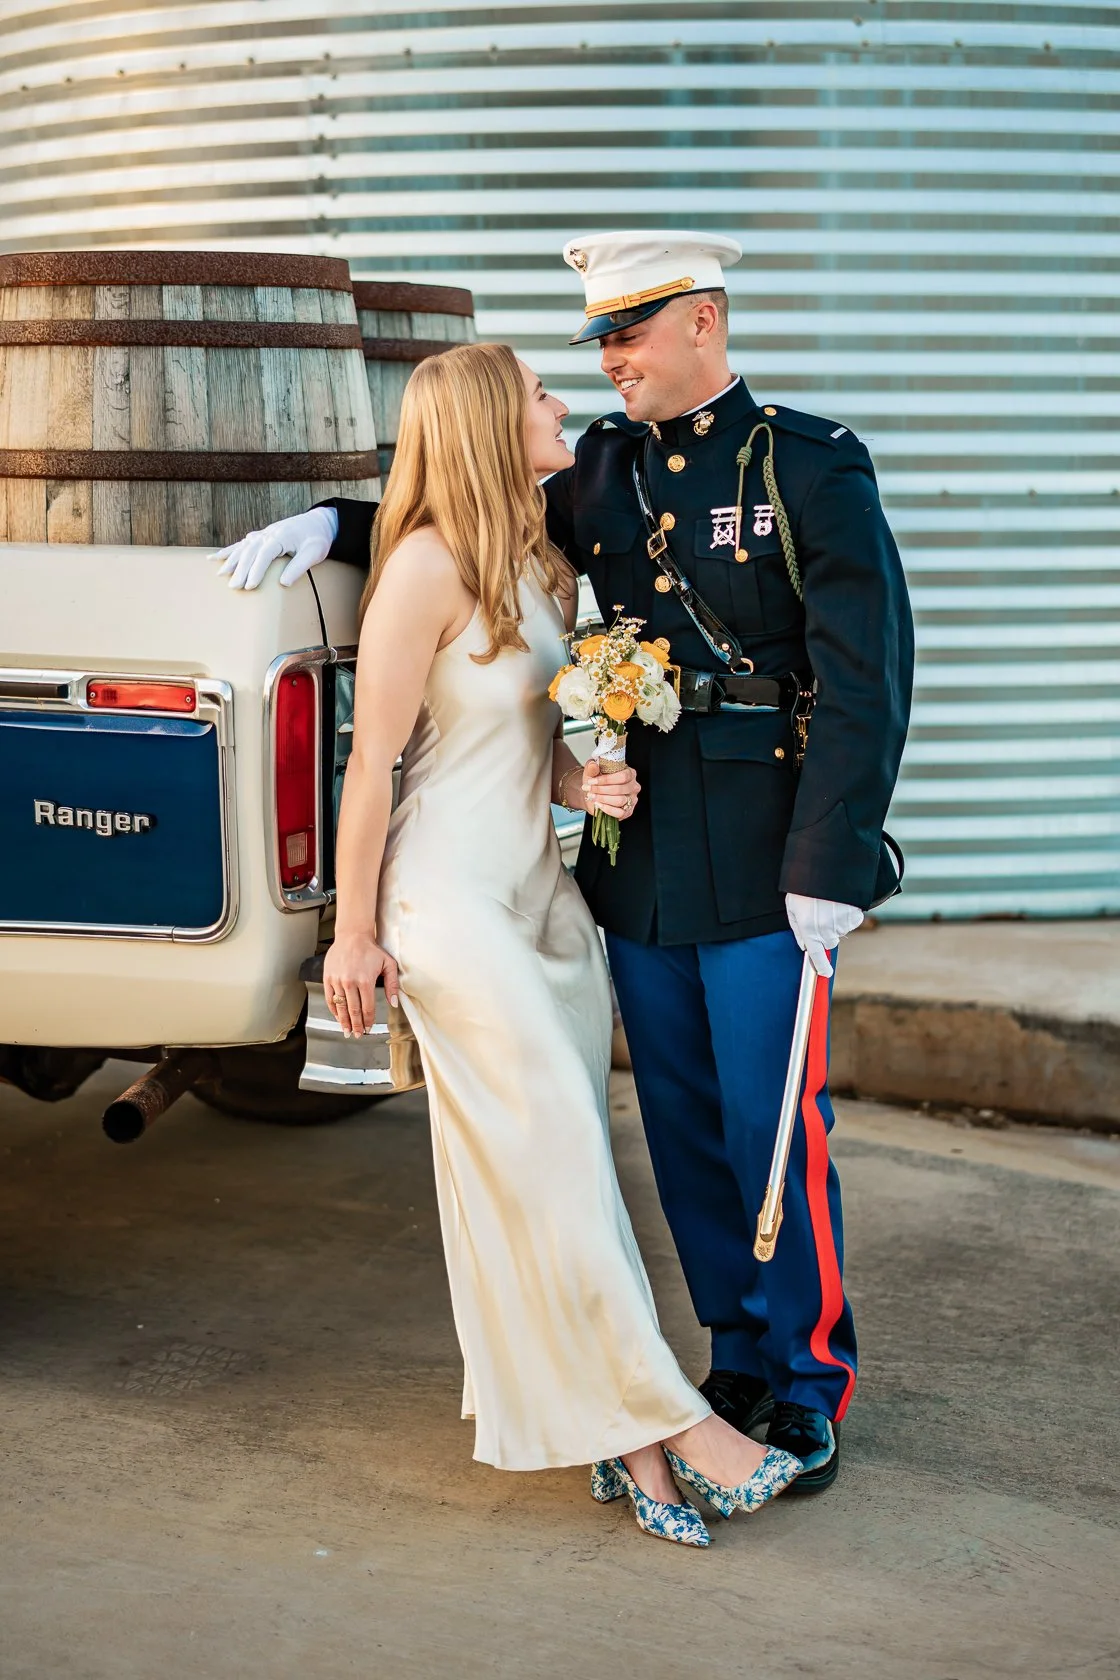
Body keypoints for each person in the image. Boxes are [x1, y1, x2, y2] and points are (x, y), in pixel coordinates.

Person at [215, 231, 914, 1496]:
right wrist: (337, 523)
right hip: (638, 855)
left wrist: (834, 861)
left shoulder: (807, 468)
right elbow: (464, 511)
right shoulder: (601, 472)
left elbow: (868, 679)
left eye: (630, 334)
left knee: (772, 1130)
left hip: (769, 857)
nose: (609, 362)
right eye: (597, 341)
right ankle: (735, 1361)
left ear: (703, 320)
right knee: (689, 1130)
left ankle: (808, 1385)